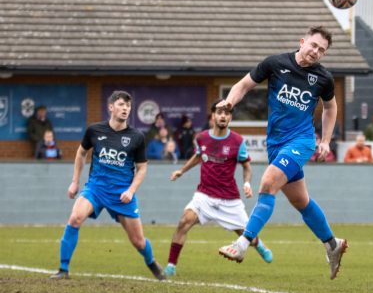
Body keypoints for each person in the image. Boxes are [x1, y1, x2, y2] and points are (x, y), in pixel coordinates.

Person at [216, 26, 348, 280]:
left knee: (267, 184)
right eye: (313, 45)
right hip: (275, 144)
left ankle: (242, 244)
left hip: (302, 141)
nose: (316, 52)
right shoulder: (275, 63)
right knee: (301, 201)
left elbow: (331, 108)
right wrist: (229, 103)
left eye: (322, 50)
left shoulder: (323, 78)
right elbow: (243, 85)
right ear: (302, 42)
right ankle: (333, 244)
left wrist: (326, 140)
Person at [50, 90, 165, 280]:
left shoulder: (137, 137)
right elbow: (81, 153)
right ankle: (63, 269)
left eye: (128, 106)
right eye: (121, 104)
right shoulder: (94, 130)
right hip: (95, 188)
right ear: (110, 107)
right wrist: (75, 182)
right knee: (75, 218)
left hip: (122, 194)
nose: (125, 109)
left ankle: (151, 262)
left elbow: (142, 168)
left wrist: (131, 190)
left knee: (138, 241)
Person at [164, 100, 273, 277]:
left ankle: (259, 245)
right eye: (219, 112)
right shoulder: (201, 138)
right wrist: (181, 171)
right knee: (184, 221)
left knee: (248, 236)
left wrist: (246, 183)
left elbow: (246, 166)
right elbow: (198, 156)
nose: (223, 115)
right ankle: (171, 265)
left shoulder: (238, 141)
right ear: (213, 115)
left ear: (230, 117)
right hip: (204, 196)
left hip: (229, 200)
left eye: (227, 113)